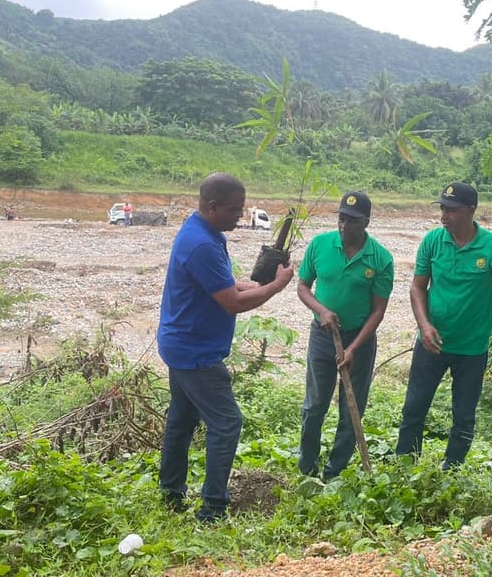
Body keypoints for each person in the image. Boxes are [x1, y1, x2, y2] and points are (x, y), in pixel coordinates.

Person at [156, 173, 294, 523]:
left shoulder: (205, 233)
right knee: (227, 422)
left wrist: (254, 283)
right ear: (212, 206)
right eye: (234, 210)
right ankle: (213, 507)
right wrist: (276, 286)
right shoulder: (202, 244)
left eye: (242, 208)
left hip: (180, 343)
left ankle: (171, 493)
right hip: (195, 352)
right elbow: (231, 302)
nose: (240, 215)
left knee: (182, 420)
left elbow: (225, 284)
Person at [395, 181, 492, 469]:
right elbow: (417, 288)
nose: (444, 215)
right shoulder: (433, 242)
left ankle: (452, 470)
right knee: (414, 409)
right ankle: (405, 467)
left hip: (472, 349)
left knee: (463, 415)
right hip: (431, 343)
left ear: (470, 210)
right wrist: (424, 325)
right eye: (442, 208)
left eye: (451, 210)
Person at [297, 191, 394, 480]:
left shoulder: (380, 258)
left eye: (351, 221)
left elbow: (378, 311)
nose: (344, 226)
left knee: (351, 408)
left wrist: (353, 348)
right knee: (314, 404)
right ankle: (307, 467)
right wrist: (322, 311)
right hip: (322, 336)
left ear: (365, 221)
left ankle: (334, 471)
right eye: (341, 219)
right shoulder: (319, 245)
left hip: (359, 341)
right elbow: (303, 287)